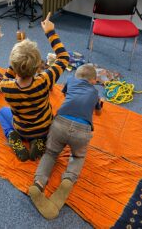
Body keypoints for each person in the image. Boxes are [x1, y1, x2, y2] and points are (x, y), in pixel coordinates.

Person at [29, 64, 103, 220]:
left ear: (76, 77)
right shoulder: (95, 93)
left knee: (50, 153)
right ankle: (69, 178)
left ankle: (39, 183)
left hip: (60, 123)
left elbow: (65, 94)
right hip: (82, 129)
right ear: (94, 81)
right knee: (78, 157)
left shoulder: (70, 80)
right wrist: (99, 104)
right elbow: (98, 111)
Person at [0, 12, 69, 162]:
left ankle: (13, 137)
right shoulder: (45, 80)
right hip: (44, 127)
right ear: (38, 66)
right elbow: (64, 57)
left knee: (2, 112)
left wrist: (19, 52)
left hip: (22, 129)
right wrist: (50, 32)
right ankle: (38, 141)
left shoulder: (5, 86)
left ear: (14, 63)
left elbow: (10, 72)